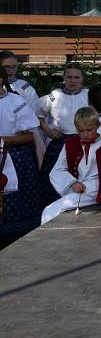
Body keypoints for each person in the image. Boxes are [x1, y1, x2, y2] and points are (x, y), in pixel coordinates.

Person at [41, 107, 101, 225]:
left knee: (50, 210)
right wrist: (72, 182)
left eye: (89, 130)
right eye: (81, 131)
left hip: (97, 188)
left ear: (98, 125)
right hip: (78, 188)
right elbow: (58, 169)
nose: (85, 134)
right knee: (52, 210)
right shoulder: (70, 144)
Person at [0, 66, 42, 240]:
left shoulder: (15, 101)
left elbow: (29, 136)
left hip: (15, 158)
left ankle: (15, 237)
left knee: (14, 204)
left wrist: (3, 140)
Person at [38, 64, 89, 203]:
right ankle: (53, 206)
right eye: (69, 77)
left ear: (82, 79)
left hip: (84, 144)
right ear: (64, 78)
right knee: (55, 177)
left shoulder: (88, 95)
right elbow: (37, 114)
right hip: (60, 144)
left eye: (77, 77)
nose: (73, 80)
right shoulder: (54, 96)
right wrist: (48, 130)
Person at [0, 50, 46, 165]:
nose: (10, 70)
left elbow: (37, 114)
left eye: (14, 67)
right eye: (6, 67)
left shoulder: (24, 87)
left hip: (21, 139)